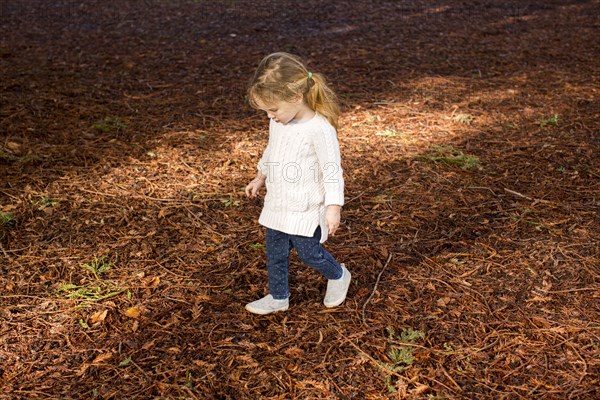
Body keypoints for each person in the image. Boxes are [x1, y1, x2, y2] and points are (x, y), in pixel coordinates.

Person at [244, 52, 351, 315]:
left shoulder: (320, 129)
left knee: (309, 253)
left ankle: (338, 276)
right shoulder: (280, 121)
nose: (270, 116)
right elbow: (272, 150)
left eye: (273, 109)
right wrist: (261, 176)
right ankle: (278, 297)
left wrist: (333, 207)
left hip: (305, 207)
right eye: (267, 111)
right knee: (275, 253)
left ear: (295, 97)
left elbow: (331, 170)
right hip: (278, 205)